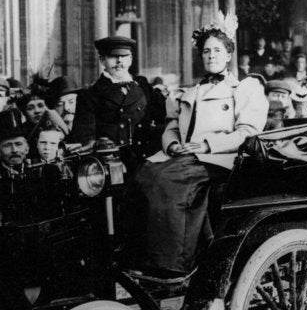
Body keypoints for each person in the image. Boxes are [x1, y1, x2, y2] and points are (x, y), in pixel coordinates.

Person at [134, 18, 268, 275]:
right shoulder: (189, 92)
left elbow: (247, 132)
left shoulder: (242, 89)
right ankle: (143, 258)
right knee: (145, 173)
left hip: (220, 158)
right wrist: (173, 145)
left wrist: (206, 145)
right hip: (187, 156)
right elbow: (172, 127)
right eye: (206, 51)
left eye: (217, 50)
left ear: (228, 55)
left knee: (167, 180)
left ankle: (174, 264)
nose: (211, 56)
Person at [68, 36, 155, 156]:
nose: (119, 61)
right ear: (102, 60)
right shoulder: (90, 95)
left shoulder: (143, 86)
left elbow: (163, 117)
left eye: (124, 56)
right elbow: (85, 140)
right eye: (113, 56)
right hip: (112, 161)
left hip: (146, 157)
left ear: (130, 59)